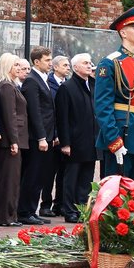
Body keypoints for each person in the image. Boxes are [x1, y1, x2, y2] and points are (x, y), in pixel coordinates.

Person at [96, 8, 134, 185]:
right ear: (123, 32)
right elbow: (103, 107)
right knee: (116, 190)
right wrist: (114, 140)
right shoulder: (110, 62)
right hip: (121, 133)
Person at [54, 54, 98, 221]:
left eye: (90, 63)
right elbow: (62, 118)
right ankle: (69, 210)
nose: (89, 65)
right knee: (71, 178)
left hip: (91, 140)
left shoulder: (93, 85)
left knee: (87, 178)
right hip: (74, 141)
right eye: (85, 63)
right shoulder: (67, 88)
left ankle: (82, 209)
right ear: (76, 67)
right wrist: (65, 143)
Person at [20, 46, 60, 223]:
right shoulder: (31, 80)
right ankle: (24, 212)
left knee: (40, 175)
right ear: (36, 62)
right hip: (37, 137)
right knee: (32, 174)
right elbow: (35, 111)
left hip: (47, 135)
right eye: (47, 60)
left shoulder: (42, 78)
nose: (50, 63)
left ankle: (32, 210)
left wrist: (53, 134)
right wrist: (42, 137)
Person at [0, 54, 30, 226]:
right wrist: (14, 141)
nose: (19, 68)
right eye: (15, 65)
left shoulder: (11, 85)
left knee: (13, 179)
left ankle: (10, 216)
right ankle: (5, 217)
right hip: (10, 140)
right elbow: (9, 115)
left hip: (15, 138)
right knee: (9, 180)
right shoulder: (6, 86)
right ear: (7, 66)